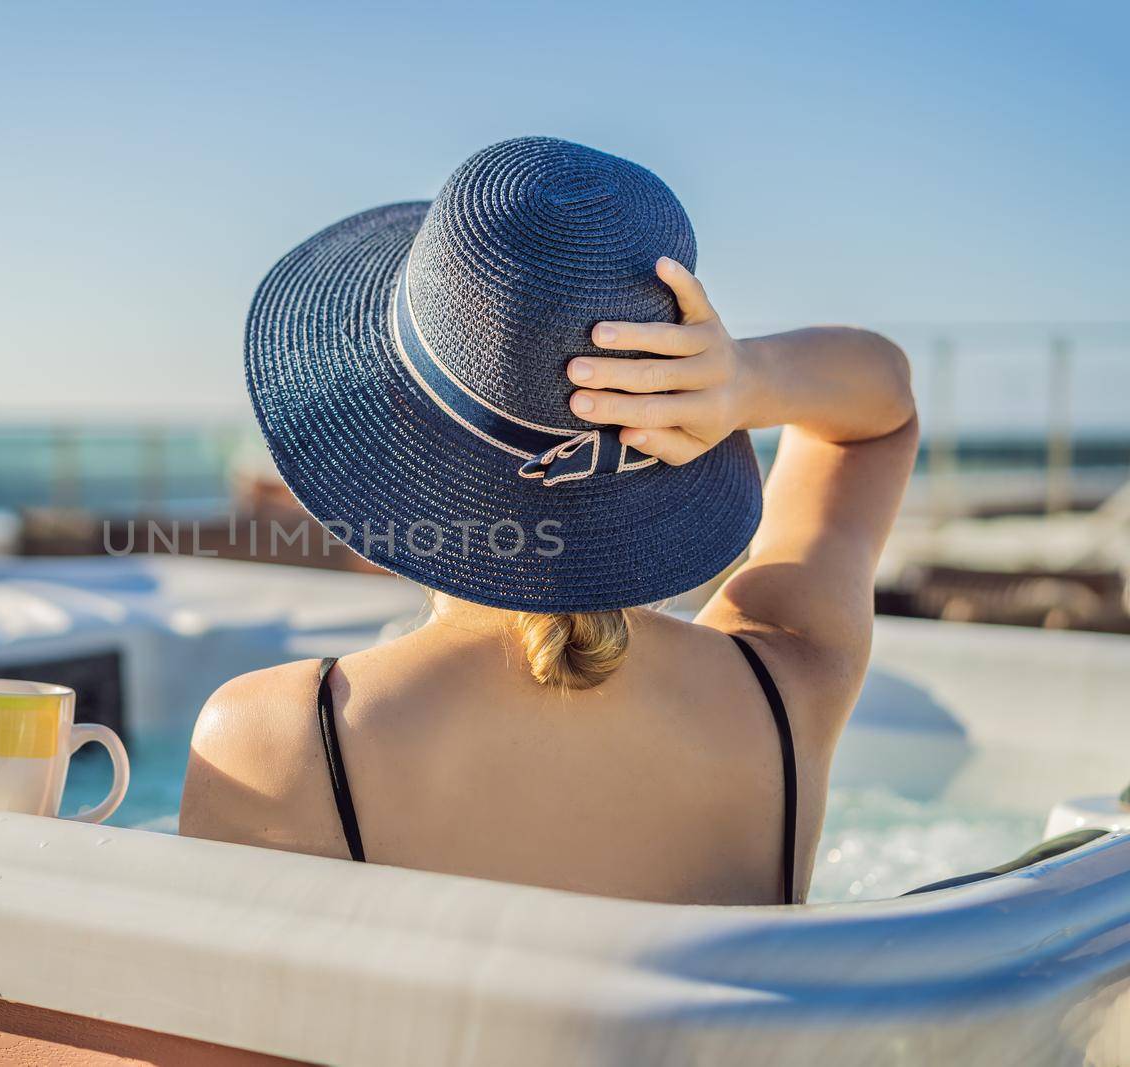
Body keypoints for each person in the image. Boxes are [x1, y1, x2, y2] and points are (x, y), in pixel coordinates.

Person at [179, 137, 917, 905]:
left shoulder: (279, 739)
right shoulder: (787, 682)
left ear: (393, 425)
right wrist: (746, 380)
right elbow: (881, 410)